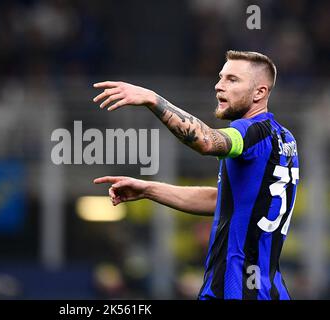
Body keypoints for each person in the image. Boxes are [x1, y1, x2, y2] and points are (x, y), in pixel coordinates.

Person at [92, 50, 299, 300]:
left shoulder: (250, 132)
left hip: (237, 289)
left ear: (259, 93)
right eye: (221, 77)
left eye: (232, 80)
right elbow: (223, 201)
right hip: (269, 289)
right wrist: (148, 189)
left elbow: (206, 142)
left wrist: (153, 99)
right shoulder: (284, 138)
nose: (219, 85)